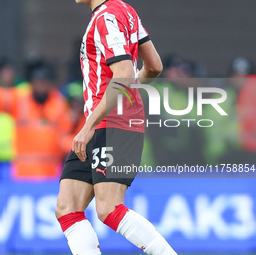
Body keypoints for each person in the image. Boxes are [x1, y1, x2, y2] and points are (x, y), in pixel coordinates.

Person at [55, 1, 177, 255]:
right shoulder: (125, 11)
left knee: (108, 208)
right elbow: (154, 66)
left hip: (110, 124)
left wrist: (89, 125)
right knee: (67, 208)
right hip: (105, 122)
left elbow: (122, 73)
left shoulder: (105, 17)